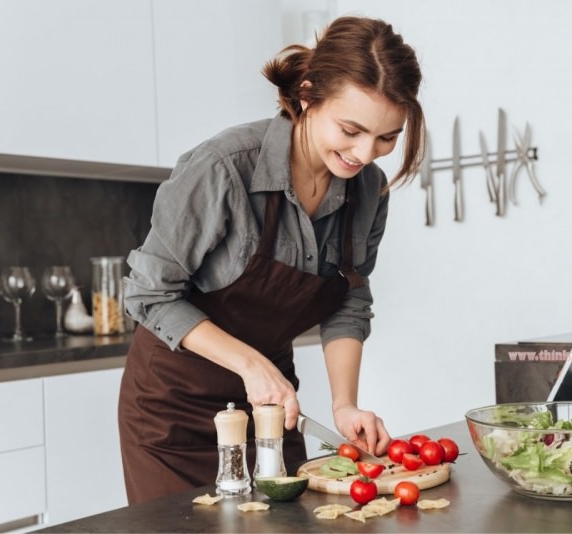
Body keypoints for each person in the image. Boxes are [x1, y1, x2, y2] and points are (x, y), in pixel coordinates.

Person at [118, 15, 425, 504]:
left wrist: (345, 405)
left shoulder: (367, 190)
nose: (366, 153)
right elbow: (148, 294)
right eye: (351, 130)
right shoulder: (223, 167)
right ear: (307, 94)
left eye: (387, 137)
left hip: (271, 409)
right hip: (173, 413)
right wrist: (250, 363)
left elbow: (348, 300)